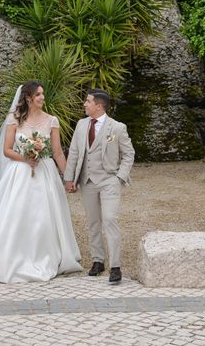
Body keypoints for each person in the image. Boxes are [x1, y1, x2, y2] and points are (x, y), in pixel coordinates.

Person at [0, 81, 83, 283]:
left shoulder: (52, 121)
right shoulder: (13, 120)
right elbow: (7, 150)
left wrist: (68, 178)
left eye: (43, 94)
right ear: (27, 98)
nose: (42, 97)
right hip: (20, 172)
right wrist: (26, 158)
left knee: (45, 216)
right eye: (38, 94)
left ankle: (47, 256)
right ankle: (11, 258)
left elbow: (58, 152)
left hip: (46, 171)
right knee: (17, 214)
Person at [64, 89, 135, 284]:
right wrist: (69, 178)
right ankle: (98, 260)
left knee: (110, 219)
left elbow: (129, 154)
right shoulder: (81, 125)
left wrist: (120, 177)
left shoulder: (117, 128)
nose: (85, 104)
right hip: (87, 181)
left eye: (88, 101)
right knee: (93, 222)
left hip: (109, 180)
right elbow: (75, 153)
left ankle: (115, 266)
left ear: (99, 106)